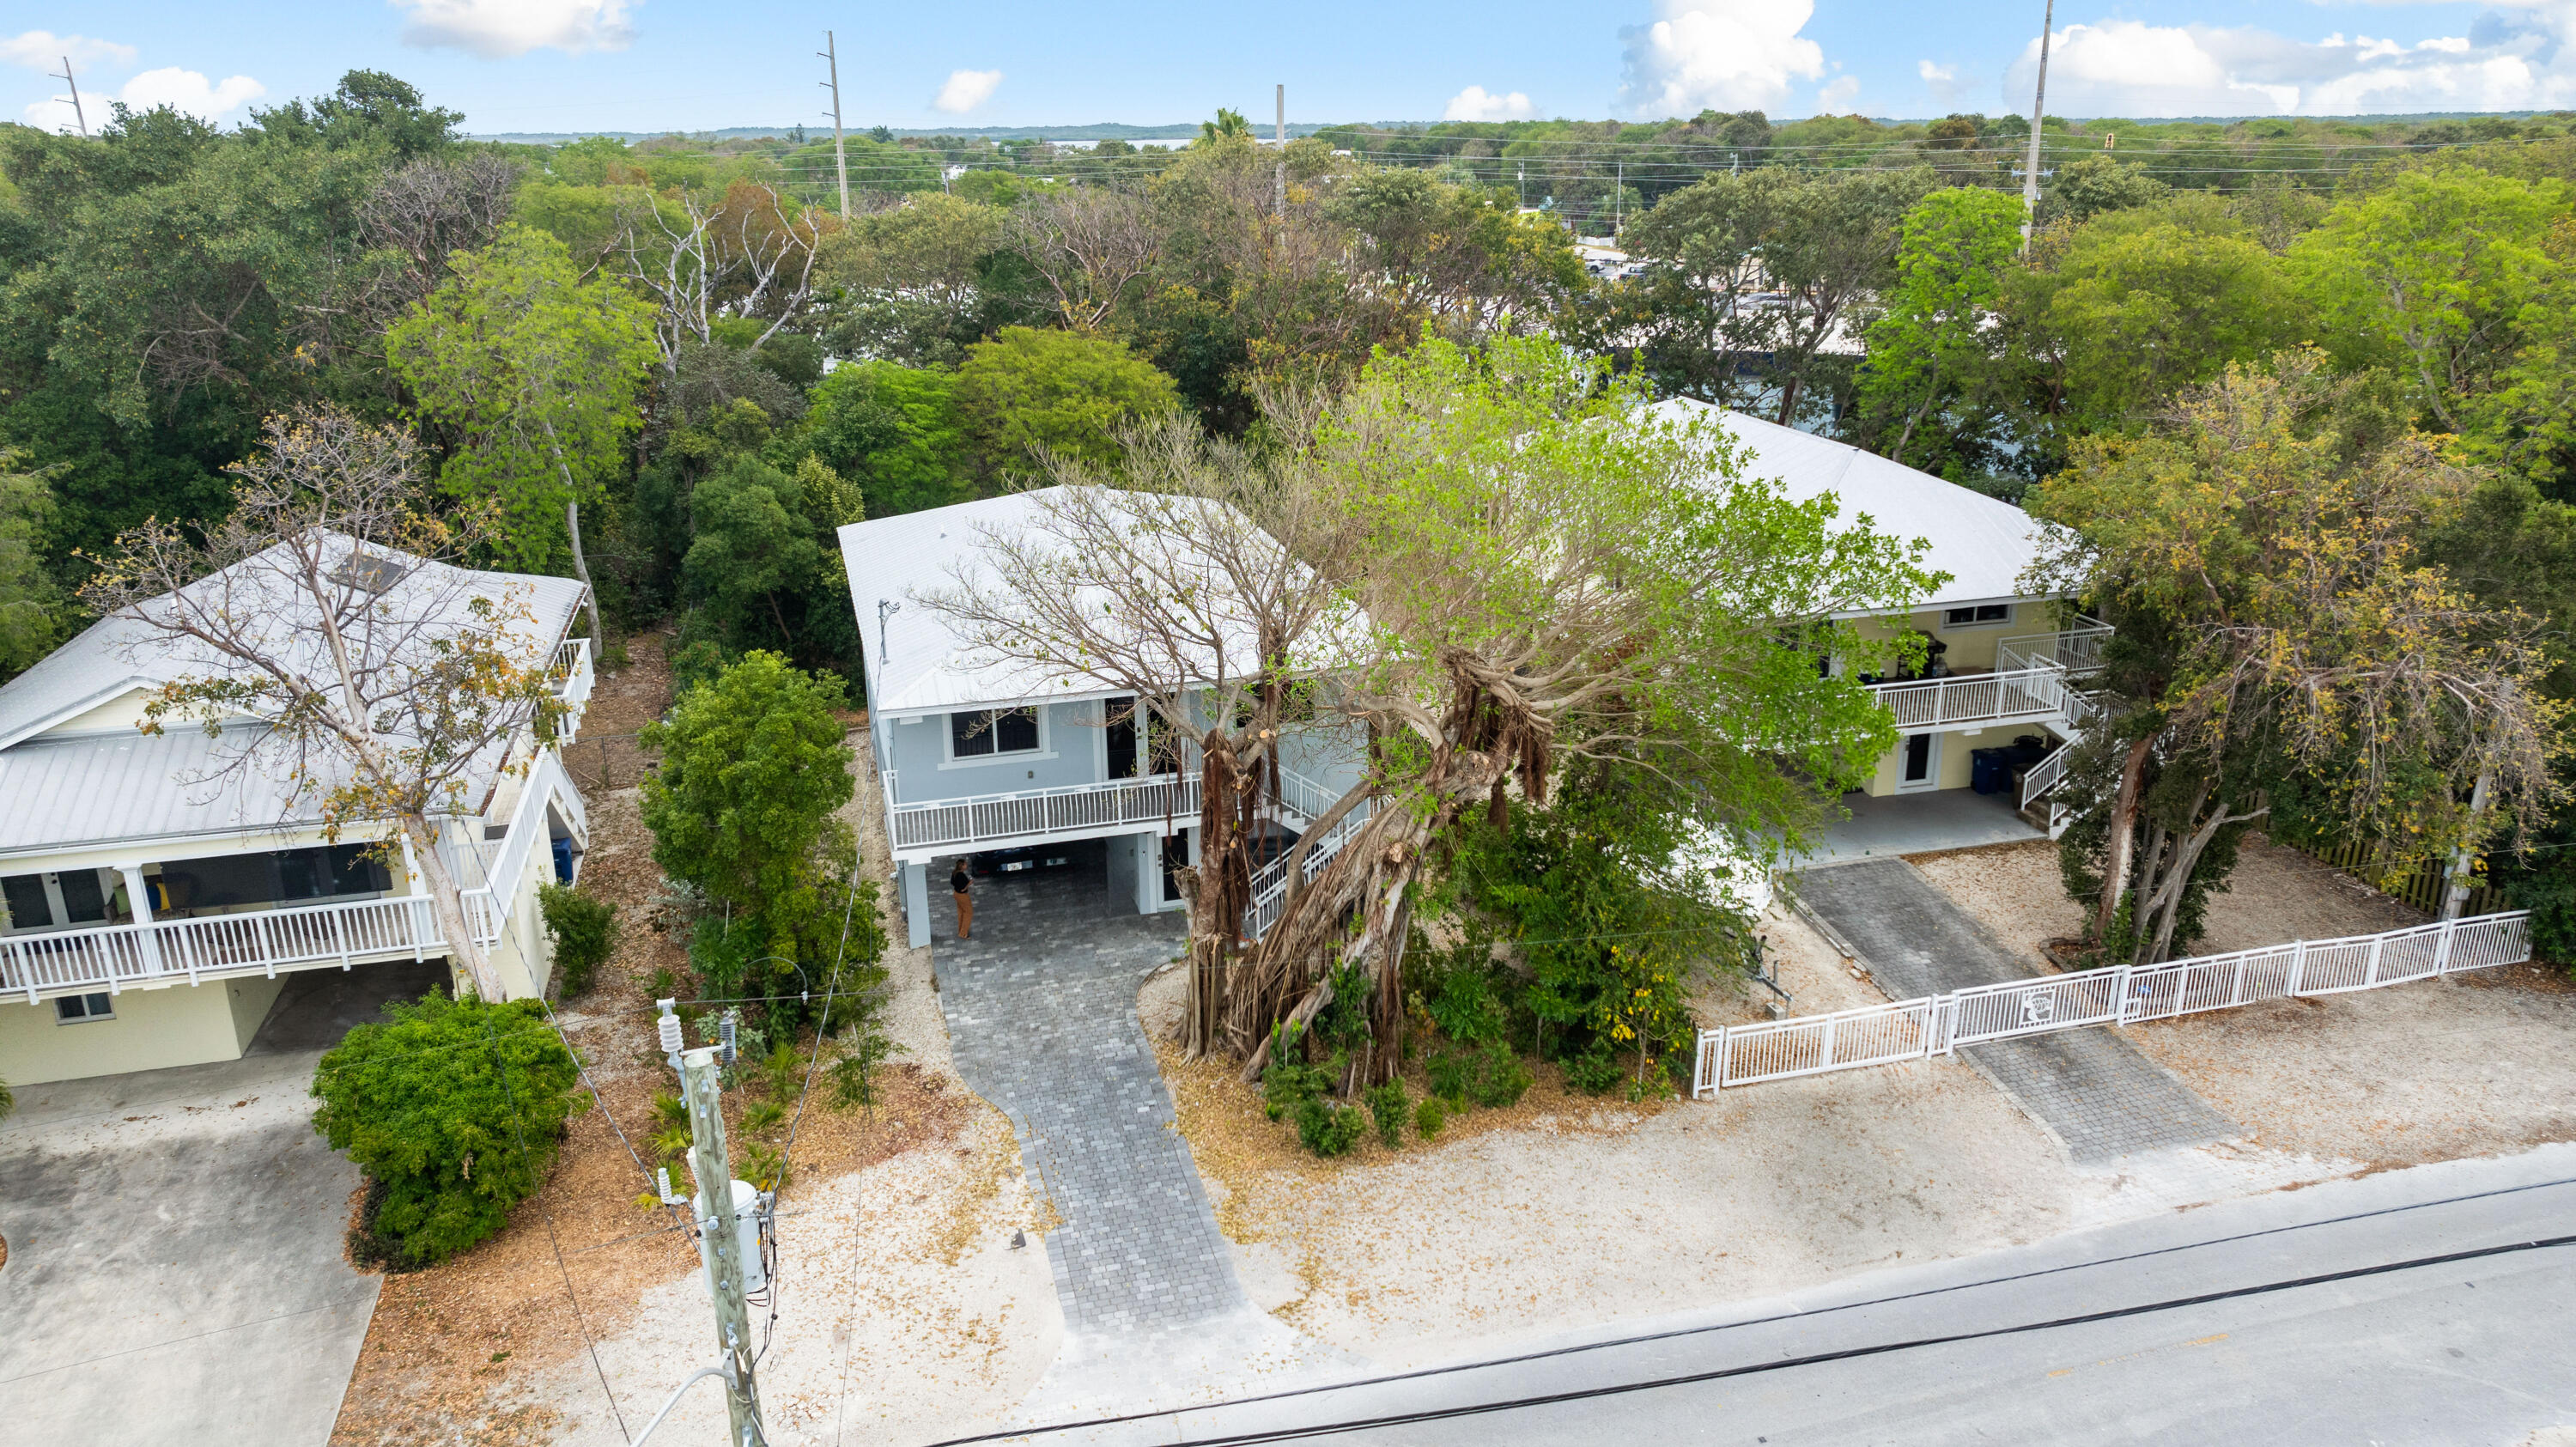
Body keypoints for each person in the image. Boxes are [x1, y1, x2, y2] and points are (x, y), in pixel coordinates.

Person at [951, 860, 974, 941]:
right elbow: (963, 888)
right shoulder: (961, 875)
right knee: (968, 912)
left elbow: (952, 882)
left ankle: (961, 931)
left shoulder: (954, 873)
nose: (966, 865)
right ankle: (963, 933)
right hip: (962, 896)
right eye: (965, 864)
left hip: (956, 894)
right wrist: (970, 883)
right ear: (962, 866)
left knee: (961, 912)